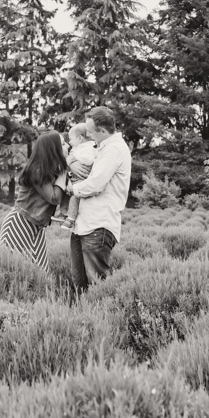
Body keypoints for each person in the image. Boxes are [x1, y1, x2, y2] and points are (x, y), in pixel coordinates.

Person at [66, 106, 131, 293]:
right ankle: (83, 318)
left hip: (98, 225)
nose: (88, 136)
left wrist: (72, 188)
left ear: (102, 131)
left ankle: (102, 319)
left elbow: (95, 185)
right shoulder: (101, 147)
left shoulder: (115, 150)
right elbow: (76, 157)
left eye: (91, 132)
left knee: (98, 284)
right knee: (79, 283)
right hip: (83, 224)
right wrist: (71, 162)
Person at [0, 131, 67, 271]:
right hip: (20, 224)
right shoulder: (36, 170)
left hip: (36, 226)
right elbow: (54, 198)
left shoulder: (49, 170)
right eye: (63, 144)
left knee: (41, 273)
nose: (68, 146)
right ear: (54, 149)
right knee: (20, 272)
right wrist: (64, 173)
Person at [51, 123, 97, 230]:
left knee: (74, 198)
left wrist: (72, 159)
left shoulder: (88, 148)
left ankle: (70, 218)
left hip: (81, 179)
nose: (69, 143)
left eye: (71, 139)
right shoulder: (79, 148)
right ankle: (64, 213)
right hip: (73, 178)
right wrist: (70, 163)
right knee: (67, 196)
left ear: (80, 138)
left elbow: (88, 159)